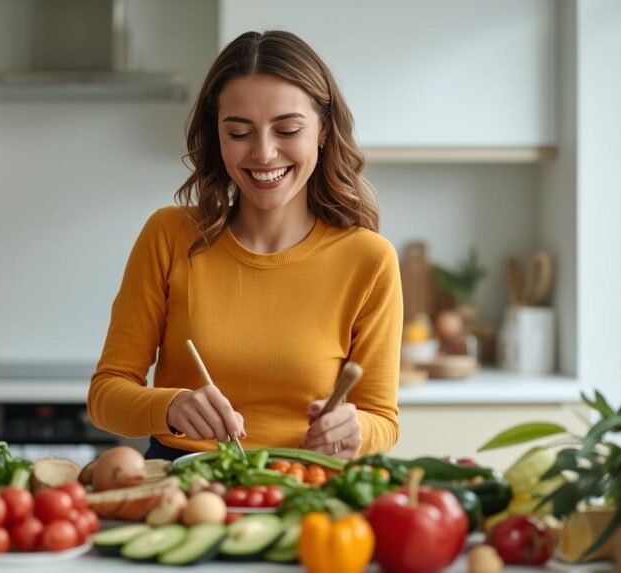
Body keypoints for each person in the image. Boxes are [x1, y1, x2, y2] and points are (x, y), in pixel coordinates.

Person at [87, 31, 402, 462]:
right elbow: (105, 396)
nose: (265, 153)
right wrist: (170, 406)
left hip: (304, 489)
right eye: (239, 133)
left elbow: (383, 420)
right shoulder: (168, 235)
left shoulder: (370, 259)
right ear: (217, 135)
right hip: (183, 488)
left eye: (287, 129)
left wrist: (355, 430)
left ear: (324, 130)